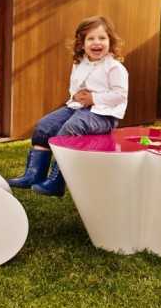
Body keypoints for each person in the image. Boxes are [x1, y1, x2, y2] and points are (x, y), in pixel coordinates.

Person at [8, 15, 128, 197]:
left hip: (104, 115)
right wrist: (76, 96)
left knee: (71, 129)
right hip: (77, 107)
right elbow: (74, 88)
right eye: (91, 38)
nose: (97, 43)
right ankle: (33, 175)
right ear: (82, 43)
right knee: (44, 127)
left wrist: (93, 99)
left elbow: (120, 95)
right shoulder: (79, 63)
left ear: (110, 41)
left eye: (102, 38)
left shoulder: (114, 67)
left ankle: (57, 181)